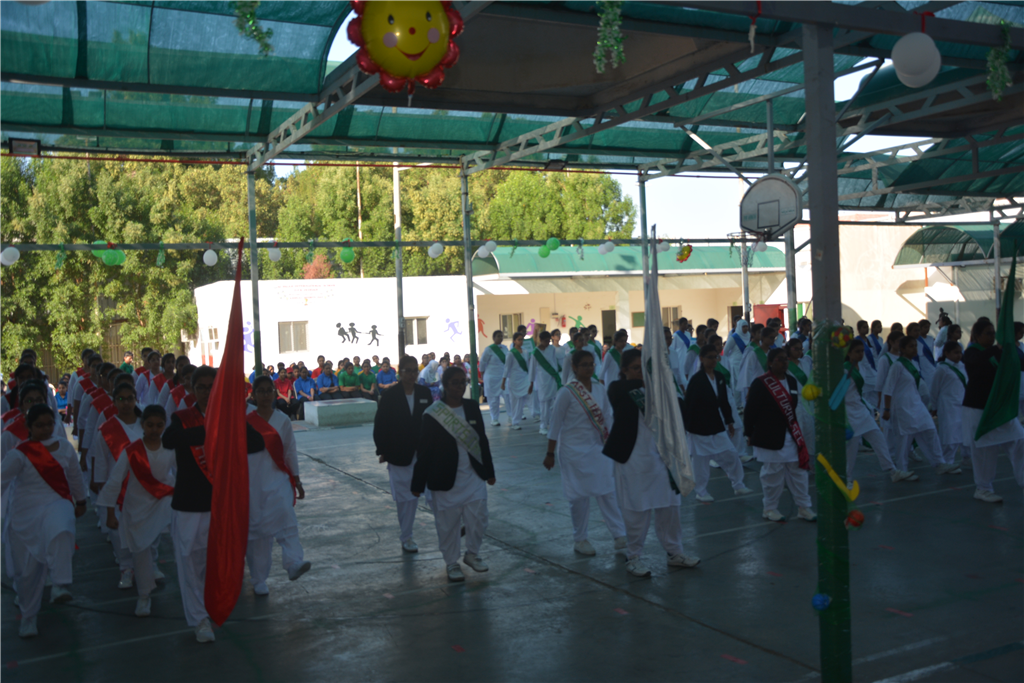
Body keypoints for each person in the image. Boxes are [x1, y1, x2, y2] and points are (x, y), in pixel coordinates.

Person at [162, 366, 265, 643]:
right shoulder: (182, 418)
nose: (207, 392)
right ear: (192, 390)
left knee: (217, 564)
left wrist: (227, 429)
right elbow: (169, 440)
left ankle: (213, 608)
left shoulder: (231, 418)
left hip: (222, 506)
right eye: (202, 387)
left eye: (212, 387)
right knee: (189, 564)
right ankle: (199, 620)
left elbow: (256, 443)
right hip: (189, 505)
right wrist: (211, 431)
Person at [602, 348, 699, 577]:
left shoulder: (660, 389)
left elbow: (682, 410)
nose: (640, 373)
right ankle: (633, 557)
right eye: (635, 368)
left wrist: (662, 385)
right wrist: (651, 384)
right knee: (637, 511)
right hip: (633, 460)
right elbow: (620, 393)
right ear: (624, 370)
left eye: (644, 368)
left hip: (662, 459)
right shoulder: (619, 388)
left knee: (670, 508)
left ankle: (674, 552)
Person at [1, 404, 87, 638]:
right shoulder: (19, 453)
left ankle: (60, 583)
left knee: (61, 528)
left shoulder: (65, 449)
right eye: (40, 425)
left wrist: (81, 501)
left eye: (50, 424)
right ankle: (28, 617)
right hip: (24, 514)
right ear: (29, 427)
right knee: (27, 574)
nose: (46, 429)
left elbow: (75, 478)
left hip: (56, 502)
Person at [412, 365, 496, 582]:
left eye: (463, 382)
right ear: (445, 385)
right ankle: (451, 562)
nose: (460, 386)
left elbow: (482, 441)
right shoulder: (433, 414)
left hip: (473, 475)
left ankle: (472, 554)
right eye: (455, 383)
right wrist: (418, 484)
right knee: (448, 525)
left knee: (479, 518)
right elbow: (424, 450)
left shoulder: (472, 407)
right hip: (444, 477)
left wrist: (489, 471)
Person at [544, 349, 626, 556]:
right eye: (584, 365)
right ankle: (580, 539)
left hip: (598, 448)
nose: (589, 368)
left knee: (607, 490)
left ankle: (619, 535)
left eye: (591, 364)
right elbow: (555, 424)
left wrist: (613, 444)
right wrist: (550, 453)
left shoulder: (599, 389)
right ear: (574, 367)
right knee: (578, 497)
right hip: (572, 451)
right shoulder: (566, 392)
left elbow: (608, 417)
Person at [96, 404, 175, 617]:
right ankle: (143, 596)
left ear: (165, 425)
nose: (154, 430)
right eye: (150, 425)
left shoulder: (171, 447)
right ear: (142, 425)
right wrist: (110, 513)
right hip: (137, 508)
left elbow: (184, 472)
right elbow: (114, 482)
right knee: (140, 551)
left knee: (183, 537)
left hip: (165, 501)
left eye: (159, 425)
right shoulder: (132, 451)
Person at [246, 377, 311, 595]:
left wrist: (297, 479)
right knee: (258, 532)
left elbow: (290, 450)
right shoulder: (245, 420)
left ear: (274, 394)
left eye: (269, 391)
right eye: (261, 391)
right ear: (253, 395)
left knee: (286, 517)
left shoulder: (282, 420)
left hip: (278, 478)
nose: (265, 395)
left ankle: (293, 562)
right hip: (253, 482)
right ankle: (258, 579)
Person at [744, 348, 817, 523]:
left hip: (791, 434)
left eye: (786, 359)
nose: (784, 363)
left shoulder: (791, 381)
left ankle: (804, 507)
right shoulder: (761, 383)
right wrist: (749, 433)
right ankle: (769, 508)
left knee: (799, 471)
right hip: (769, 436)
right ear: (770, 363)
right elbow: (751, 410)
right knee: (772, 474)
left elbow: (793, 405)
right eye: (780, 359)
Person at [374, 356, 433, 553]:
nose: (412, 374)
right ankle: (406, 537)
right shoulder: (390, 395)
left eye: (415, 370)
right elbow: (380, 424)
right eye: (408, 371)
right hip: (398, 453)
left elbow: (432, 422)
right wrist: (382, 450)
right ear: (400, 373)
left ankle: (451, 525)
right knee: (406, 499)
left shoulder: (424, 393)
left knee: (433, 491)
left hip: (423, 452)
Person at [961, 320, 1024, 502]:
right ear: (977, 335)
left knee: (1019, 440)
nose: (992, 337)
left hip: (999, 409)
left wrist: (1007, 350)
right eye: (988, 333)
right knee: (984, 451)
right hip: (979, 409)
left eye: (993, 333)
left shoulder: (998, 352)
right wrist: (997, 349)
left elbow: (1018, 364)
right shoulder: (972, 352)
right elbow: (977, 363)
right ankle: (983, 488)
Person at [92, 381, 146, 589]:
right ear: (114, 401)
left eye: (130, 399)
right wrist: (101, 487)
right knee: (118, 529)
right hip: (117, 486)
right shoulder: (106, 430)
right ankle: (126, 567)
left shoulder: (146, 424)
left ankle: (149, 564)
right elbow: (100, 461)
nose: (126, 403)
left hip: (145, 484)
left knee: (146, 526)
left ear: (136, 400)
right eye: (121, 399)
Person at [682, 345, 750, 502]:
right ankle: (701, 492)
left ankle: (738, 484)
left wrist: (729, 421)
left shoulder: (719, 377)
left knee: (731, 454)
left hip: (716, 423)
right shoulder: (696, 380)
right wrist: (688, 428)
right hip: (698, 427)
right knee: (700, 462)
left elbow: (724, 401)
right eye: (710, 357)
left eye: (716, 357)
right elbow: (689, 405)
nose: (714, 360)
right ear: (701, 359)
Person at [882, 336, 956, 476]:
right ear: (902, 349)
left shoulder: (914, 364)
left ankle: (939, 463)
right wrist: (886, 409)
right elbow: (888, 389)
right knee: (904, 440)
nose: (914, 349)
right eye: (911, 346)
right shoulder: (897, 366)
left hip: (917, 405)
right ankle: (901, 470)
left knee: (930, 430)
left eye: (915, 346)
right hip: (902, 407)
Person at [844, 339, 911, 483]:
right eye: (857, 351)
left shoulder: (861, 368)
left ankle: (892, 470)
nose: (861, 354)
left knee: (878, 438)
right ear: (848, 353)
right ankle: (847, 478)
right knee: (851, 449)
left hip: (861, 411)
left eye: (862, 351)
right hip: (848, 413)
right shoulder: (844, 370)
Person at [931, 341, 970, 471]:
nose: (959, 355)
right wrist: (934, 406)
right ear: (946, 353)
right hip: (948, 405)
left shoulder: (962, 366)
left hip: (962, 403)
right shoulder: (942, 368)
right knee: (950, 435)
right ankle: (947, 462)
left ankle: (966, 457)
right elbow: (934, 389)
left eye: (960, 352)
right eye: (955, 352)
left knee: (963, 432)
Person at [784, 338, 816, 454]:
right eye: (796, 349)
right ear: (789, 349)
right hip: (793, 401)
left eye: (801, 349)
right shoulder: (785, 365)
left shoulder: (806, 362)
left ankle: (809, 455)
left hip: (807, 401)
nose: (799, 351)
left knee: (809, 429)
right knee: (797, 429)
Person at [528, 331, 562, 436]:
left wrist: (557, 375)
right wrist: (531, 383)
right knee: (544, 404)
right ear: (541, 340)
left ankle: (551, 424)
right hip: (542, 381)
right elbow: (532, 369)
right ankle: (542, 426)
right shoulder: (535, 353)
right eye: (546, 341)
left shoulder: (551, 349)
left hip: (552, 378)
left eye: (549, 341)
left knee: (552, 403)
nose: (548, 343)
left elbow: (554, 363)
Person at [501, 332, 531, 431]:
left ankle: (536, 414)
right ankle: (515, 422)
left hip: (525, 378)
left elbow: (528, 366)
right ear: (514, 341)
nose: (521, 341)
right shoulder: (510, 353)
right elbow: (506, 368)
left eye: (522, 339)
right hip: (514, 380)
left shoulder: (526, 352)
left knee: (529, 397)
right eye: (519, 339)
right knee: (515, 402)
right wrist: (503, 382)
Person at [479, 331, 509, 427]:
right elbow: (482, 362)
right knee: (493, 400)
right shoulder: (489, 349)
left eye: (502, 336)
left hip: (503, 377)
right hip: (492, 377)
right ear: (493, 338)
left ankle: (511, 416)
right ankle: (494, 419)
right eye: (498, 336)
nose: (500, 338)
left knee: (508, 397)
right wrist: (482, 374)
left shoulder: (505, 348)